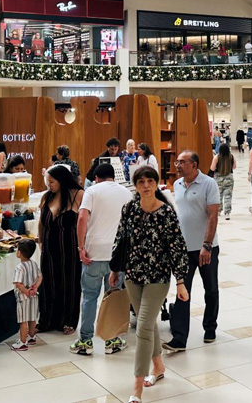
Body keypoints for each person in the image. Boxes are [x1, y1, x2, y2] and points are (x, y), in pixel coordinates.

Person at [108, 166, 188, 403]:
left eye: (149, 181)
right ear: (135, 185)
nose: (145, 185)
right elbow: (121, 238)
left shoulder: (166, 213)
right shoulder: (130, 208)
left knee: (142, 326)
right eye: (140, 181)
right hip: (133, 275)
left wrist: (181, 281)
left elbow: (177, 247)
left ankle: (136, 388)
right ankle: (159, 367)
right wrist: (115, 269)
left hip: (158, 277)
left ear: (156, 183)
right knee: (148, 323)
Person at [71, 163, 133, 356]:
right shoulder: (127, 192)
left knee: (89, 297)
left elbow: (82, 218)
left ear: (96, 178)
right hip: (117, 256)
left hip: (93, 254)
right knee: (112, 298)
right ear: (113, 176)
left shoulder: (92, 191)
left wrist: (81, 248)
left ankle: (85, 341)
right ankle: (112, 340)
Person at [163, 150, 220, 352]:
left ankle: (210, 328)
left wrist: (207, 245)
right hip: (183, 249)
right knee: (182, 290)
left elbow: (213, 216)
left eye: (182, 162)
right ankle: (179, 338)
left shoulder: (208, 184)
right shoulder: (177, 184)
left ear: (194, 165)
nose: (177, 165)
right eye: (177, 161)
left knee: (210, 289)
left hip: (206, 248)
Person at [37, 165, 84, 334]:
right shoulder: (46, 197)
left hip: (70, 248)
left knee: (69, 282)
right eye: (47, 181)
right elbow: (42, 223)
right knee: (49, 283)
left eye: (52, 181)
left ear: (62, 180)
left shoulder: (78, 195)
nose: (49, 185)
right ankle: (47, 320)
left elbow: (85, 221)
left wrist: (83, 246)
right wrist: (40, 241)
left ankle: (69, 321)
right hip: (49, 247)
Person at [11, 239, 43, 351]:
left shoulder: (19, 267)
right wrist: (35, 287)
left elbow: (18, 283)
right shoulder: (34, 264)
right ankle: (32, 337)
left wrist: (26, 291)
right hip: (34, 296)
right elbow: (40, 277)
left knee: (23, 320)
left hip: (23, 298)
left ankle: (22, 342)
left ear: (19, 253)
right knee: (32, 317)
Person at [210, 144, 236, 220]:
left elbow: (212, 168)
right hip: (229, 178)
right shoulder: (231, 157)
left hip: (218, 178)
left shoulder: (217, 157)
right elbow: (234, 167)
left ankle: (218, 211)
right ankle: (227, 212)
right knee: (228, 196)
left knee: (218, 195)